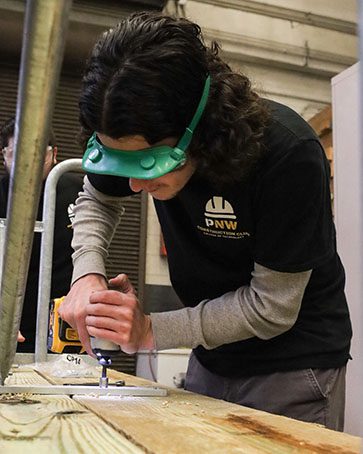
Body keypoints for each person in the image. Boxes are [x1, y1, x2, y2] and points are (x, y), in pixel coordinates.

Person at [59, 12, 352, 430]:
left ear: (199, 126)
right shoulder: (125, 123)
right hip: (212, 358)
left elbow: (272, 307)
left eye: (148, 165)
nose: (134, 186)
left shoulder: (287, 154)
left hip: (293, 364)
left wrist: (148, 331)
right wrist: (86, 276)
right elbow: (97, 196)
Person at [0, 117, 82, 352]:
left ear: (54, 153)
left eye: (37, 152)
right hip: (11, 321)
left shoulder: (78, 191)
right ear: (4, 155)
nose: (28, 161)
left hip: (64, 320)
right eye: (17, 152)